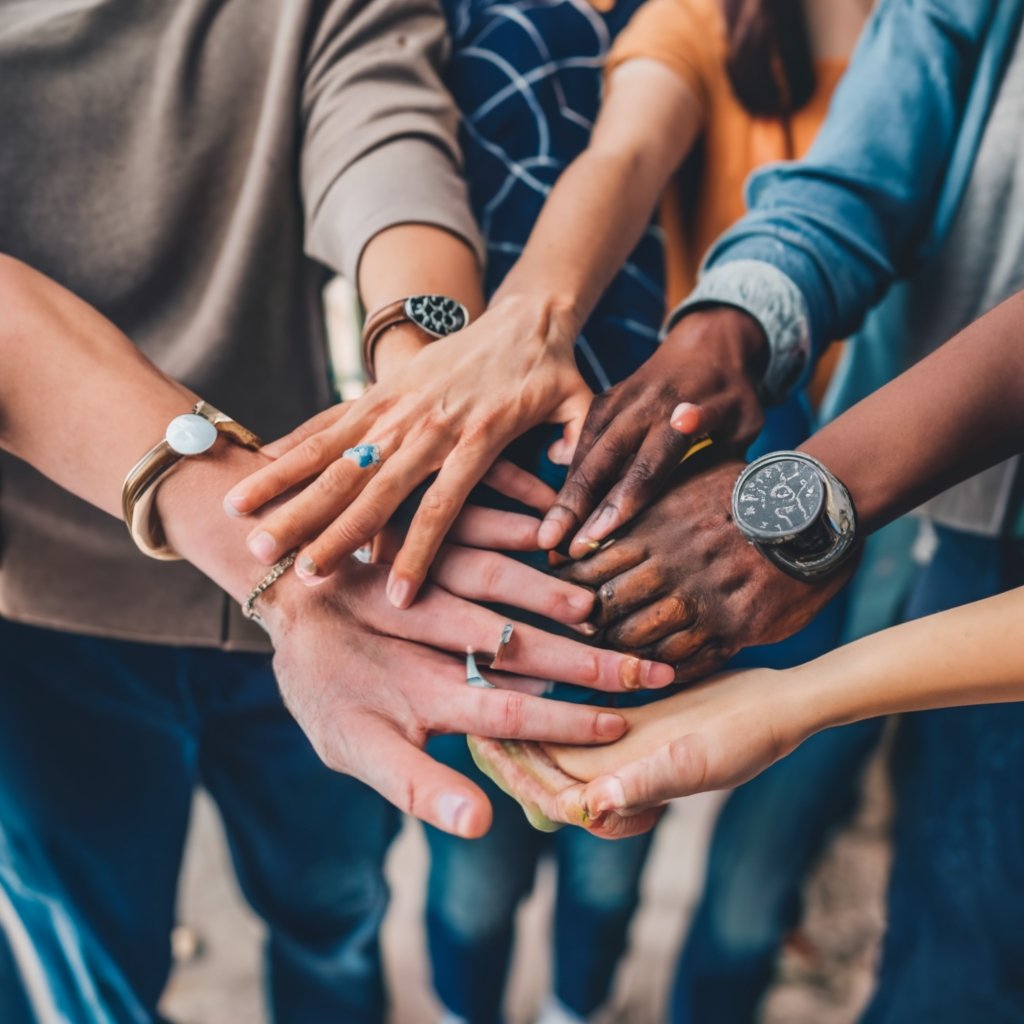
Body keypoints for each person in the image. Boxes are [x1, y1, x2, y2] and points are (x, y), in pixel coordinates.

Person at [0, 4, 674, 1019]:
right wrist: (272, 553)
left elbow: (384, 128)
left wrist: (426, 384)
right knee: (95, 963)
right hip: (52, 615)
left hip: (335, 565)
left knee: (333, 915)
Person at [511, 1, 1024, 1020]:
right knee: (951, 914)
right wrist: (723, 326)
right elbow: (852, 177)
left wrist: (816, 499)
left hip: (881, 479)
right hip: (946, 512)